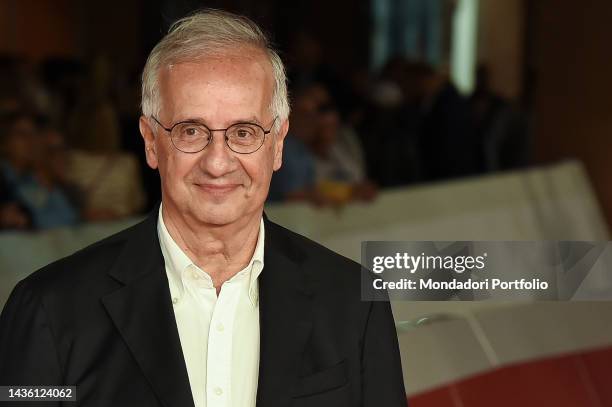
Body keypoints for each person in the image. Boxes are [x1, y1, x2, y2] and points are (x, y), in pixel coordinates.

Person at [0, 9, 406, 407]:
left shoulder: (353, 302)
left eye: (244, 132)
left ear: (278, 142)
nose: (217, 162)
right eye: (191, 130)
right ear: (150, 141)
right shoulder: (49, 309)